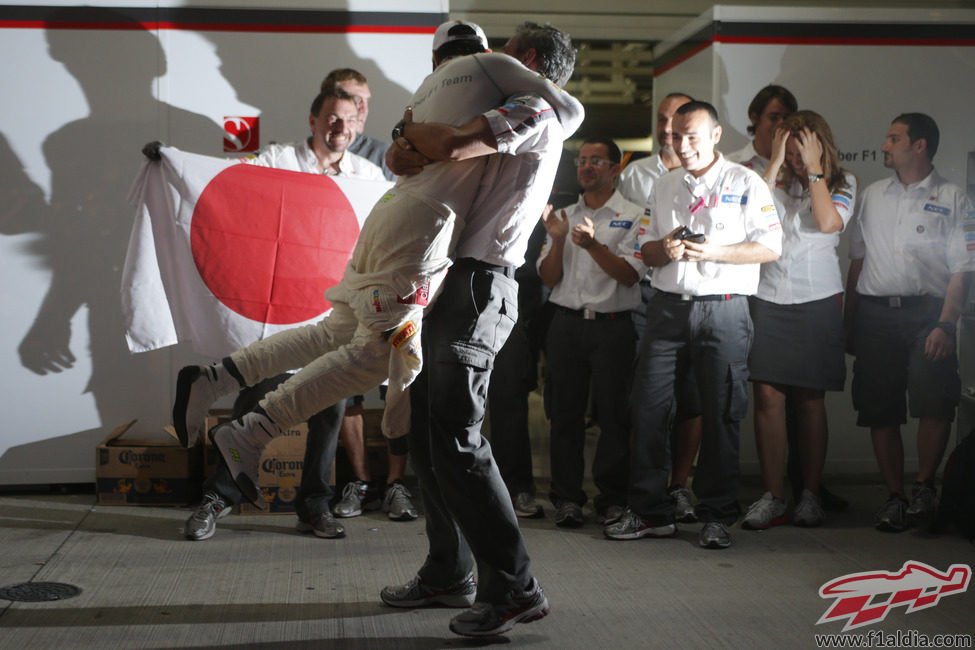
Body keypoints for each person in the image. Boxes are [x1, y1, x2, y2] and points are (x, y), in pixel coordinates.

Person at [172, 21, 583, 526]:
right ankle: (251, 432)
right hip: (425, 232)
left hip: (393, 217)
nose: (500, 57)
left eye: (511, 52)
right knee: (371, 359)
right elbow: (455, 145)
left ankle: (216, 378)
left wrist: (406, 132)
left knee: (335, 332)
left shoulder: (439, 98)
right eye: (496, 52)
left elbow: (402, 152)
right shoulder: (501, 93)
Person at [378, 21, 580, 636]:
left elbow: (456, 144)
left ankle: (514, 588)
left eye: (501, 49)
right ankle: (448, 571)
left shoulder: (535, 110)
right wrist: (405, 140)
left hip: (479, 283)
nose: (485, 59)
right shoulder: (502, 102)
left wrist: (408, 129)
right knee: (425, 436)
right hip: (447, 279)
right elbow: (404, 160)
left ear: (528, 60)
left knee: (458, 440)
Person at [174, 86, 383, 541]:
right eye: (331, 117)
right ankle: (218, 497)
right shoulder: (278, 160)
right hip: (278, 314)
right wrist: (173, 164)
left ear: (358, 125)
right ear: (313, 120)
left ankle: (314, 505)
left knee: (330, 408)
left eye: (348, 119)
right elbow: (231, 183)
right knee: (254, 399)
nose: (339, 127)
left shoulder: (368, 176)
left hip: (332, 314)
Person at [604, 100, 781, 550]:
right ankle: (648, 511)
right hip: (666, 308)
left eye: (692, 137)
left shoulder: (746, 182)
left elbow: (770, 247)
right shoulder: (664, 186)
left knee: (722, 411)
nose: (682, 145)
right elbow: (645, 251)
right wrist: (664, 248)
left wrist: (713, 252)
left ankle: (717, 514)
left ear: (716, 135)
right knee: (648, 407)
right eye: (676, 136)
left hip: (723, 309)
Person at [845, 112, 974, 532]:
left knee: (934, 401)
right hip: (877, 314)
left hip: (928, 314)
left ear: (919, 146)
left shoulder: (955, 198)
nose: (884, 145)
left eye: (893, 138)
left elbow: (963, 267)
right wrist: (850, 318)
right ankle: (895, 496)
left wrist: (946, 324)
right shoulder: (873, 195)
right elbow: (858, 259)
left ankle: (923, 488)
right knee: (880, 408)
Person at [742, 110, 857, 530]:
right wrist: (774, 160)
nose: (793, 158)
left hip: (817, 297)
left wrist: (812, 171)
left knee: (810, 399)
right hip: (768, 295)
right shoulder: (759, 176)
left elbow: (828, 223)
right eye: (787, 151)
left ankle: (809, 494)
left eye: (798, 151)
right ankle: (772, 496)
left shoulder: (842, 182)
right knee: (768, 398)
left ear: (819, 145)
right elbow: (745, 212)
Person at [319, 69, 419, 522]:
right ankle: (358, 481)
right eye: (347, 102)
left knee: (399, 383)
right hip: (344, 289)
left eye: (362, 103)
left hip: (392, 287)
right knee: (348, 387)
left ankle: (397, 484)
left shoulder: (389, 157)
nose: (355, 111)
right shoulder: (307, 160)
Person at [537, 136, 645, 527]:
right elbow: (549, 279)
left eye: (596, 160)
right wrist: (559, 239)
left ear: (615, 169)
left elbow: (631, 276)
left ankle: (611, 498)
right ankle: (567, 498)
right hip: (565, 325)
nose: (586, 167)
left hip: (614, 328)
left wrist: (594, 245)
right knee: (564, 416)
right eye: (582, 160)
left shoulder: (634, 215)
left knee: (614, 417)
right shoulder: (563, 215)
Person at [618, 91, 703, 524]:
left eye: (678, 120)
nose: (668, 128)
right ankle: (643, 492)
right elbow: (630, 239)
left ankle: (680, 486)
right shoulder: (636, 175)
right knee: (646, 401)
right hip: (646, 296)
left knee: (690, 399)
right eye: (663, 118)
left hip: (696, 299)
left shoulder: (714, 176)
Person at [321, 68, 395, 180]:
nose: (364, 109)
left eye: (366, 101)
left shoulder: (383, 155)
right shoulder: (296, 156)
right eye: (356, 100)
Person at [727, 84, 798, 171]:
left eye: (786, 118)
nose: (781, 124)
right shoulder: (731, 165)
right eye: (773, 118)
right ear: (754, 118)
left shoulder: (798, 166)